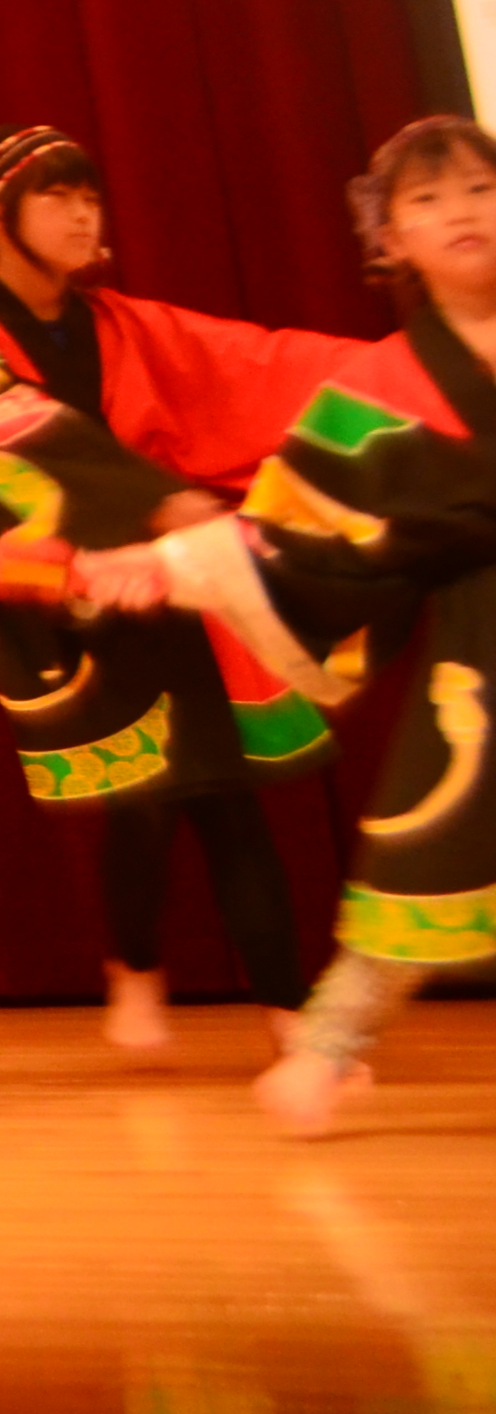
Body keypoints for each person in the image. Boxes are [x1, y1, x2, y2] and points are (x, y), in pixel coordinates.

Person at [0, 123, 369, 1054]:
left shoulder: (123, 323)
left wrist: (400, 376)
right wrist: (156, 500)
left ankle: (288, 1016)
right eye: (59, 196)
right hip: (56, 580)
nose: (84, 215)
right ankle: (137, 964)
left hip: (162, 573)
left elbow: (256, 363)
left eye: (91, 196)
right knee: (145, 796)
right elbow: (0, 432)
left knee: (217, 786)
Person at [240, 118, 496, 1134]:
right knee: (429, 842)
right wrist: (194, 562)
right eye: (426, 200)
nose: (460, 213)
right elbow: (290, 534)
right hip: (483, 656)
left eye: (479, 189)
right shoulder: (379, 387)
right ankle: (324, 1050)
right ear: (389, 238)